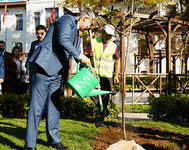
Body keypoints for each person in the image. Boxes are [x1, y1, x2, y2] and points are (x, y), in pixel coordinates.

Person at [25, 8, 95, 150]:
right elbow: (63, 40)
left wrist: (85, 60)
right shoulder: (68, 19)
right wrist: (81, 55)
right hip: (43, 66)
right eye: (90, 23)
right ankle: (30, 145)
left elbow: (73, 53)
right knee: (37, 106)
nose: (90, 27)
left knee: (54, 106)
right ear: (85, 18)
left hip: (56, 71)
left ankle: (54, 140)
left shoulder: (78, 36)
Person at [84, 24, 120, 127]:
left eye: (111, 36)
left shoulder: (114, 46)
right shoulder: (94, 42)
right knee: (88, 91)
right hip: (94, 74)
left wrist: (116, 75)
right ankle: (104, 110)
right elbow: (84, 54)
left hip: (107, 76)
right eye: (107, 35)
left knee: (105, 98)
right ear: (103, 32)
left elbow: (117, 61)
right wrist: (89, 54)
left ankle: (100, 122)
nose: (109, 37)